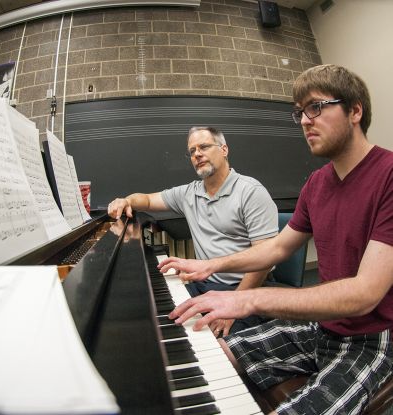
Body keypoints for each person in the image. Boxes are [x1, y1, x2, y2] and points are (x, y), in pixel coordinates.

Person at [159, 64, 393, 415]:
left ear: (355, 110)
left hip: (374, 339)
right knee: (213, 353)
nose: (304, 121)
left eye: (316, 107)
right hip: (323, 330)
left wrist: (249, 300)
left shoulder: (388, 175)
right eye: (300, 112)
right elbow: (279, 247)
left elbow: (364, 295)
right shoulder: (317, 183)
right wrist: (211, 264)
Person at [108, 126, 278, 336]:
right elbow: (148, 199)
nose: (197, 154)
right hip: (206, 284)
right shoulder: (189, 192)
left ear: (224, 150)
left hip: (246, 288)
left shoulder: (251, 192)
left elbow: (264, 260)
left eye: (204, 146)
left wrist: (235, 305)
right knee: (159, 318)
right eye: (192, 151)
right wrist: (127, 200)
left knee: (219, 346)